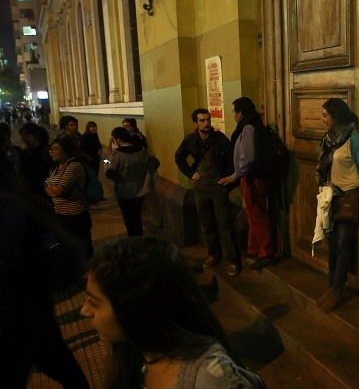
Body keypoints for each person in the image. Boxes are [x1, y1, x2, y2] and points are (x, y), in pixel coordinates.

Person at [80, 236, 265, 388]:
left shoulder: (211, 378)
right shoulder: (133, 350)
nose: (84, 310)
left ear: (138, 308)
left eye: (94, 302)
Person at [0, 144, 90, 388]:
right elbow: (70, 260)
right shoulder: (20, 203)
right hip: (28, 313)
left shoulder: (16, 206)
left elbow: (70, 255)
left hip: (23, 314)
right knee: (65, 369)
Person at [315, 98, 359, 313]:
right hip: (330, 197)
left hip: (348, 198)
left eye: (325, 115)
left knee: (343, 245)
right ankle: (331, 287)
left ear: (336, 116)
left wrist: (350, 188)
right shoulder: (329, 138)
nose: (322, 119)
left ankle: (338, 291)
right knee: (332, 245)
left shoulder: (354, 138)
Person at [175, 108, 241, 275]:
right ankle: (213, 254)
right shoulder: (190, 140)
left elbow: (231, 157)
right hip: (201, 188)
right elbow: (179, 157)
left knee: (224, 223)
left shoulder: (219, 139)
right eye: (202, 120)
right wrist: (190, 173)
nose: (206, 123)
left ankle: (231, 260)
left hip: (218, 187)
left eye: (207, 120)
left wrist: (228, 178)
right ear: (195, 123)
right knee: (206, 223)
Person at [219, 97, 276, 270]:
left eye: (234, 112)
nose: (234, 116)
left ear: (241, 113)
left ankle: (266, 252)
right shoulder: (253, 125)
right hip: (250, 177)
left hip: (253, 178)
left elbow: (248, 157)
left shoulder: (249, 128)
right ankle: (254, 248)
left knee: (257, 215)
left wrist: (236, 176)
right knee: (252, 214)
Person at [44, 136, 94, 259]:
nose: (51, 152)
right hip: (60, 214)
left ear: (65, 150)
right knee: (67, 249)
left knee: (82, 248)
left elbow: (58, 191)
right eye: (50, 149)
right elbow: (46, 185)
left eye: (55, 149)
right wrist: (50, 187)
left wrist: (50, 187)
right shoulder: (56, 167)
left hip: (76, 216)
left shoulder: (73, 166)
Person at [106, 127, 155, 237]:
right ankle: (139, 239)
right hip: (141, 190)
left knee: (129, 219)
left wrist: (107, 164)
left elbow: (110, 174)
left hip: (124, 192)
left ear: (117, 139)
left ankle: (133, 242)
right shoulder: (142, 150)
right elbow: (155, 162)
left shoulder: (117, 154)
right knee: (137, 216)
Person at [18, 122, 52, 199]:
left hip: (45, 191)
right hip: (33, 191)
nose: (24, 139)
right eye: (22, 136)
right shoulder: (27, 151)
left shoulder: (46, 151)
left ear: (36, 135)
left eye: (27, 136)